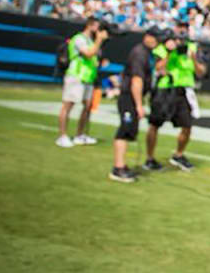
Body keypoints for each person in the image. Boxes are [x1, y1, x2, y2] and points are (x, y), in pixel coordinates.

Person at [145, 25, 205, 171]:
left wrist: (193, 59)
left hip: (183, 91)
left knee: (187, 125)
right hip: (165, 89)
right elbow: (158, 68)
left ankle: (178, 155)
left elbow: (201, 72)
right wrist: (169, 51)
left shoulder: (192, 49)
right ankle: (149, 158)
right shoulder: (162, 48)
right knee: (155, 124)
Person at [110, 28, 159, 183]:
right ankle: (118, 168)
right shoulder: (140, 53)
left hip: (132, 97)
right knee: (124, 130)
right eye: (155, 37)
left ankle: (122, 166)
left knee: (129, 130)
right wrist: (139, 105)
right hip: (128, 97)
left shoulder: (147, 53)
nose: (157, 41)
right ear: (147, 37)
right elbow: (136, 80)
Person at [56, 17, 108, 148]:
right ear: (89, 25)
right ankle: (62, 136)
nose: (99, 30)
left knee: (88, 106)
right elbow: (88, 53)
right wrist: (99, 40)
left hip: (88, 77)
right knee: (68, 105)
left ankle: (80, 135)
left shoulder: (91, 40)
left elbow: (94, 58)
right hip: (76, 75)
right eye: (97, 26)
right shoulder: (79, 39)